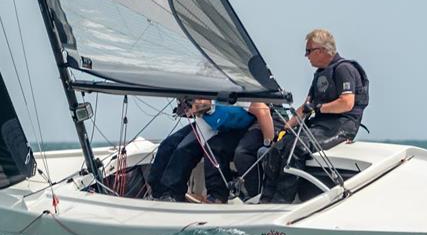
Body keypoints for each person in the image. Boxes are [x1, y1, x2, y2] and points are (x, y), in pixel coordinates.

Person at [261, 29, 369, 203]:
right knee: (279, 147)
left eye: (308, 51)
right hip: (319, 125)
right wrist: (286, 128)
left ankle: (281, 202)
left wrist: (319, 109)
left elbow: (346, 103)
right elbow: (306, 107)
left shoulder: (344, 69)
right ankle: (265, 200)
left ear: (321, 50)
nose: (306, 56)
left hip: (342, 125)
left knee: (297, 149)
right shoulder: (320, 73)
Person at [147, 99, 254, 202]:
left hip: (236, 126)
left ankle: (174, 194)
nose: (189, 114)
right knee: (167, 145)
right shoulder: (202, 113)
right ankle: (157, 193)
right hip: (208, 120)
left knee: (185, 149)